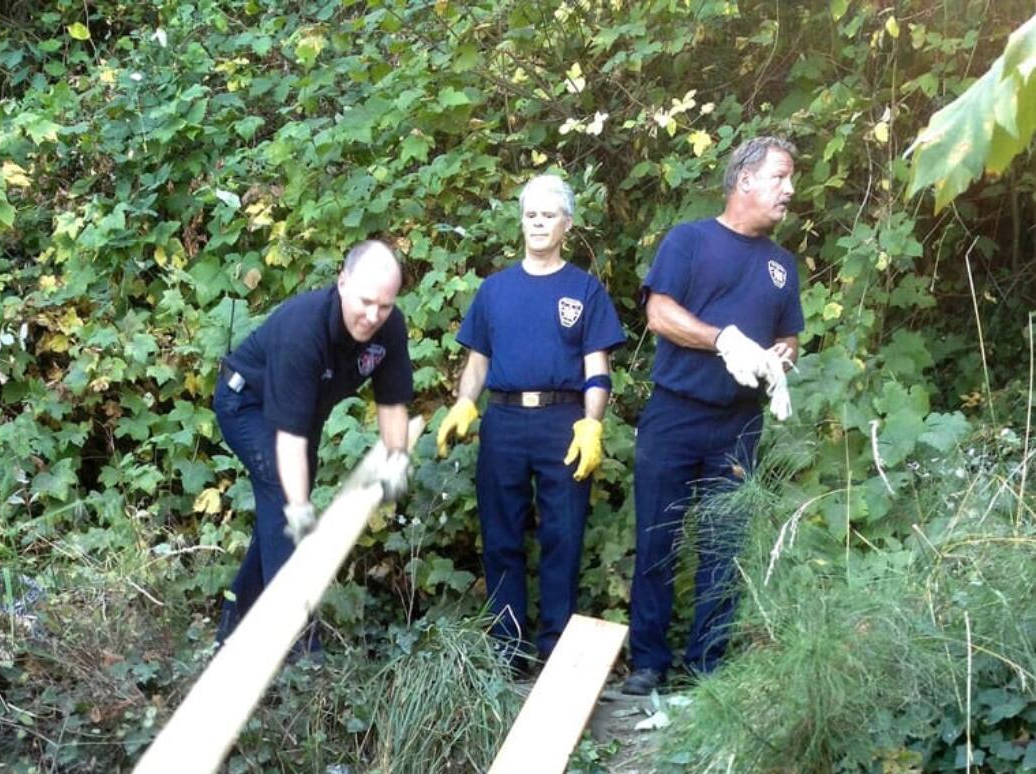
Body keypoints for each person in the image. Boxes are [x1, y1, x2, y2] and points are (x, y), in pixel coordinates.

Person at [621, 135, 804, 695]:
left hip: (739, 423)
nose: (789, 190)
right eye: (780, 177)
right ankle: (648, 662)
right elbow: (659, 314)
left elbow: (789, 335)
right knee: (658, 536)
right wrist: (722, 338)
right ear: (745, 180)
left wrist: (779, 362)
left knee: (725, 545)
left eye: (790, 179)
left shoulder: (780, 265)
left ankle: (708, 667)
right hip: (675, 415)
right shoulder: (690, 241)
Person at [436, 175, 626, 672]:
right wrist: (463, 403)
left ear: (567, 223)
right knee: (501, 534)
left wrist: (592, 425)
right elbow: (477, 360)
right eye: (530, 214)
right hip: (504, 420)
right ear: (520, 221)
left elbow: (597, 367)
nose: (538, 222)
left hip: (563, 421)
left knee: (563, 535)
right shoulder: (495, 290)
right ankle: (508, 646)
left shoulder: (584, 289)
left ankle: (557, 647)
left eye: (548, 215)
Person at [212, 240, 413, 642]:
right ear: (342, 282)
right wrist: (301, 510)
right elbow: (287, 440)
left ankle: (233, 627)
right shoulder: (304, 330)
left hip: (303, 415)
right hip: (247, 403)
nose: (373, 316)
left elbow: (392, 403)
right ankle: (300, 652)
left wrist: (396, 459)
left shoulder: (389, 328)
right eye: (366, 301)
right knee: (287, 507)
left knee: (278, 514)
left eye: (385, 306)